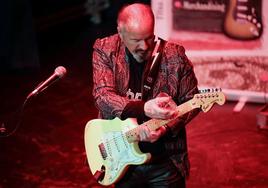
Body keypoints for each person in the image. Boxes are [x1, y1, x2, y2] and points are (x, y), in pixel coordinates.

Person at [92, 3, 199, 188]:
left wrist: (165, 128)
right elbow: (102, 96)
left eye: (149, 38)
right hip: (122, 160)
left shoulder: (175, 56)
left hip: (165, 162)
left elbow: (192, 100)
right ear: (120, 31)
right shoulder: (105, 49)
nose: (144, 46)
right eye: (136, 40)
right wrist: (144, 108)